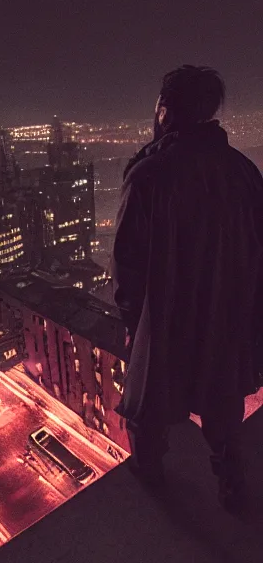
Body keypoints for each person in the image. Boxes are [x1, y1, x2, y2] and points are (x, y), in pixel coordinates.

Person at [112, 65, 263, 509]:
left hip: (165, 313)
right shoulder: (244, 172)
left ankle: (152, 477)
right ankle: (231, 475)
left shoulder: (149, 175)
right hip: (229, 310)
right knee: (221, 396)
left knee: (146, 404)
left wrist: (130, 321)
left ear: (165, 111)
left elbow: (127, 263)